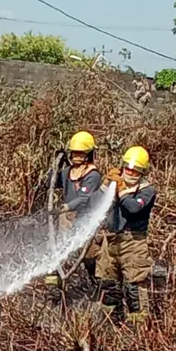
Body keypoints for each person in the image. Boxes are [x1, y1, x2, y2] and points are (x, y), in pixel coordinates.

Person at [94, 146, 157, 325]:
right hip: (111, 241)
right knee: (108, 286)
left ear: (142, 172)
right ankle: (110, 325)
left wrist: (121, 189)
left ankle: (137, 330)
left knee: (134, 288)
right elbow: (94, 204)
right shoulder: (114, 186)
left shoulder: (147, 191)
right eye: (127, 168)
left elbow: (133, 207)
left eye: (134, 170)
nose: (129, 172)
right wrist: (105, 185)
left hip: (133, 243)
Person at [44, 131, 102, 286]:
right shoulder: (67, 172)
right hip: (67, 218)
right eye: (75, 153)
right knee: (62, 246)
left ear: (88, 154)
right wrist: (56, 167)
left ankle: (97, 284)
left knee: (89, 254)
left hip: (85, 218)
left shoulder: (93, 175)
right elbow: (49, 182)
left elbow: (84, 199)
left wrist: (66, 206)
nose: (77, 156)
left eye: (81, 154)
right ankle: (56, 284)